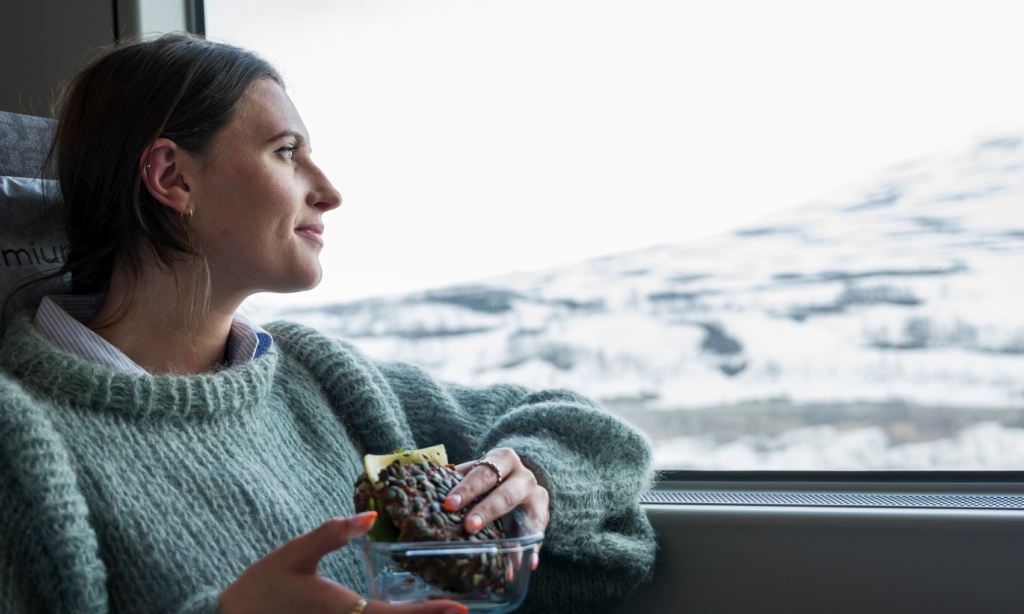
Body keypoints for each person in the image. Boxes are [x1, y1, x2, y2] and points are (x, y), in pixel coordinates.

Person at [0, 34, 656, 614]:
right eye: (287, 152)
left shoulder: (324, 379)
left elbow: (593, 452)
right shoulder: (21, 443)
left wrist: (529, 479)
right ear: (172, 177)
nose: (329, 190)